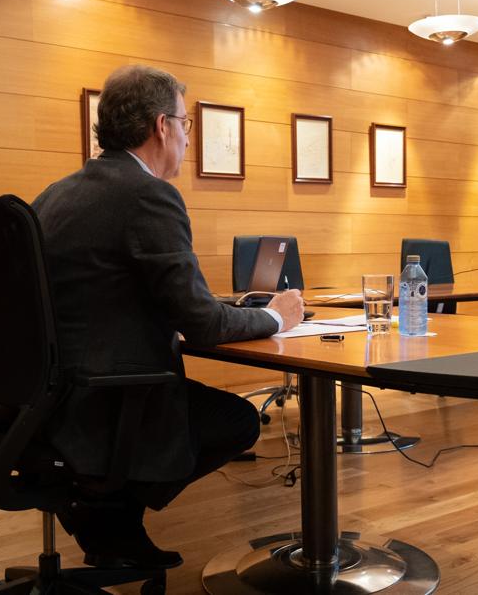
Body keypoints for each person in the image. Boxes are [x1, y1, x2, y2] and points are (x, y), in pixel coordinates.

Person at [31, 65, 305, 569]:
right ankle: (107, 506)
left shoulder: (55, 194)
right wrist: (276, 319)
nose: (186, 137)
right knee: (239, 421)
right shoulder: (149, 195)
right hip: (107, 401)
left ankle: (106, 510)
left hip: (48, 396)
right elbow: (205, 325)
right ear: (162, 126)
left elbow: (98, 293)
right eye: (186, 124)